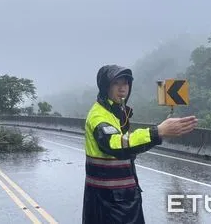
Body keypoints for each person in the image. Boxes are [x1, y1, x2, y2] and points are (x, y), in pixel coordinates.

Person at [82, 64, 198, 223]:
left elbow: (128, 146)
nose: (122, 88)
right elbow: (116, 144)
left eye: (126, 83)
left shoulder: (116, 112)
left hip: (121, 198)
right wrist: (157, 132)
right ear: (105, 86)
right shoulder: (99, 116)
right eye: (116, 83)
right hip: (107, 203)